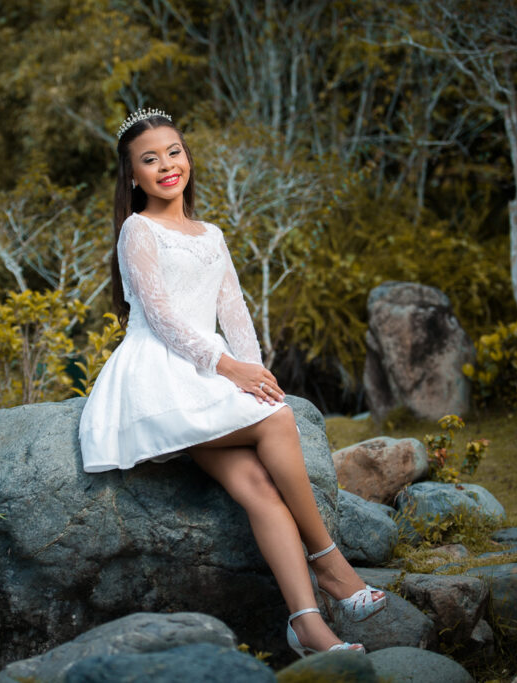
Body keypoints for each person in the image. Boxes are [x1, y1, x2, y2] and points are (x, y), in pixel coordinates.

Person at [78, 108, 386, 656]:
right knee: (279, 418)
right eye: (150, 160)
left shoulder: (210, 233)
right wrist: (229, 369)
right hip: (160, 373)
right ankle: (331, 563)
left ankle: (307, 625)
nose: (167, 165)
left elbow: (234, 310)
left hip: (208, 372)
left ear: (187, 158)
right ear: (133, 176)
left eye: (174, 152)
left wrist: (254, 372)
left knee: (261, 490)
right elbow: (164, 318)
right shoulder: (137, 229)